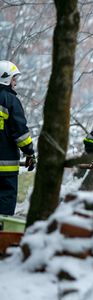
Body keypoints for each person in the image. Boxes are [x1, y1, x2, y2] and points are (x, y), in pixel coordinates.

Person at [0, 60, 35, 215]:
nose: (15, 82)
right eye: (14, 78)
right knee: (5, 203)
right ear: (6, 78)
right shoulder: (10, 100)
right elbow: (21, 134)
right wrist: (29, 153)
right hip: (5, 167)